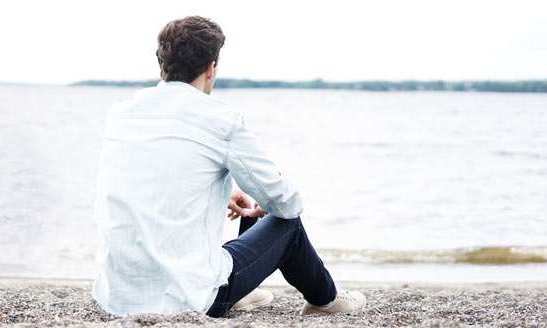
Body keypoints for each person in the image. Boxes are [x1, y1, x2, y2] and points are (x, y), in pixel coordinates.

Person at [91, 15, 366, 318]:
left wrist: (223, 192)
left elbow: (153, 181)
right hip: (189, 298)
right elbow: (287, 202)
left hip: (117, 295)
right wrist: (265, 200)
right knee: (288, 225)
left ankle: (242, 290)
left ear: (162, 63)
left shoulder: (122, 115)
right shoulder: (220, 121)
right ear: (211, 69)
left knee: (254, 207)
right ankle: (326, 301)